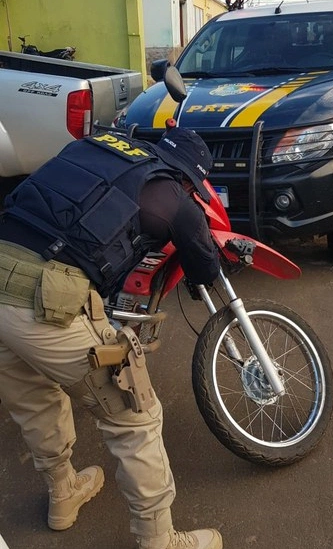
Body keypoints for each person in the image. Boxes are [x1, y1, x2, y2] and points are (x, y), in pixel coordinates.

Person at [0, 127, 223, 549]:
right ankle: (160, 540)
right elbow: (205, 269)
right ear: (191, 178)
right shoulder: (171, 194)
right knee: (135, 415)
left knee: (35, 401)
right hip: (41, 295)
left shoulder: (95, 148)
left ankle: (63, 493)